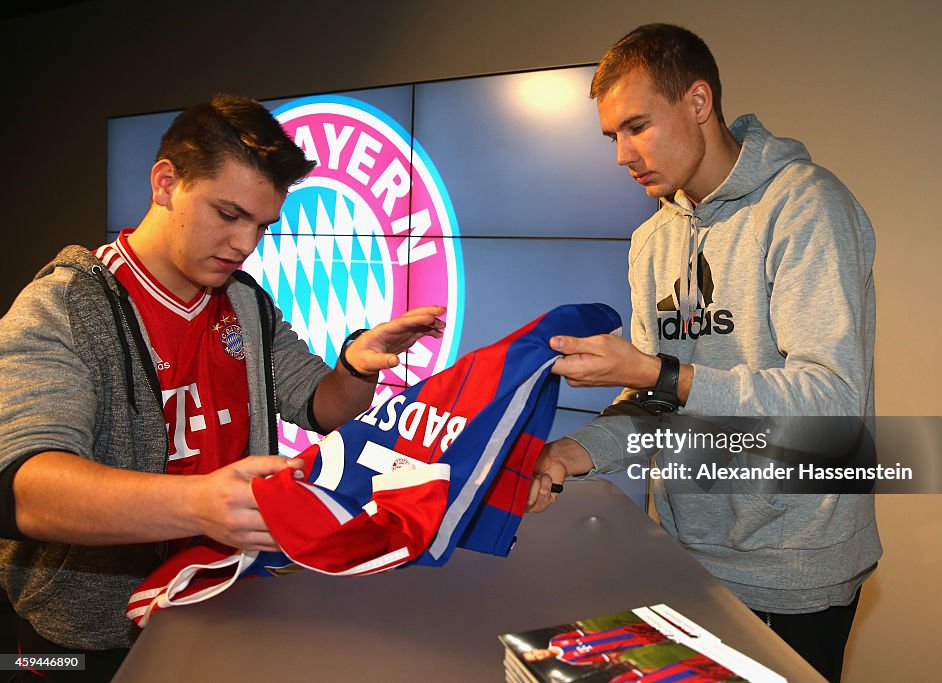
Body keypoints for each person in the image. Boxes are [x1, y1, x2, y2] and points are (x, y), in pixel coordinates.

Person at [0, 94, 445, 680]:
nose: (245, 245)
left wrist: (359, 367)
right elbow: (25, 489)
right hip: (73, 647)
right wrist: (200, 505)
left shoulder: (245, 301)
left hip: (218, 602)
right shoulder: (63, 307)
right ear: (165, 183)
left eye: (261, 225)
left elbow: (319, 405)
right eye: (228, 214)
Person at [527, 24, 881, 682]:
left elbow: (831, 402)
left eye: (637, 125)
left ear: (697, 102)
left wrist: (660, 372)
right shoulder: (651, 239)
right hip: (684, 554)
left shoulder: (807, 207)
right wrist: (570, 453)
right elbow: (654, 397)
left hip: (789, 566)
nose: (622, 155)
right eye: (612, 136)